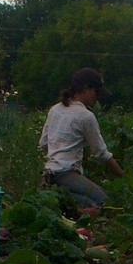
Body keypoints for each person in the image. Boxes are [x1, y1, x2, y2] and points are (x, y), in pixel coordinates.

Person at [38, 67, 123, 210]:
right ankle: (68, 205)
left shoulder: (55, 110)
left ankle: (56, 198)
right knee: (104, 202)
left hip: (49, 173)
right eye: (96, 92)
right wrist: (123, 176)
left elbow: (43, 143)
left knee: (81, 200)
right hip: (67, 174)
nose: (97, 97)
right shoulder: (85, 116)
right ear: (86, 88)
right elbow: (101, 154)